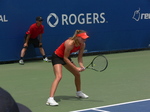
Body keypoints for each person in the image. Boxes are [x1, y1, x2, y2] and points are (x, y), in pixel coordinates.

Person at [46, 30, 89, 106]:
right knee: (59, 76)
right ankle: (50, 99)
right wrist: (76, 68)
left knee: (77, 74)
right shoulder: (69, 43)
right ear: (77, 37)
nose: (84, 40)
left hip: (66, 57)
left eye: (85, 38)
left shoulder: (82, 44)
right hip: (57, 57)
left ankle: (79, 92)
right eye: (83, 38)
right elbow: (65, 58)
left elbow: (80, 58)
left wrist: (81, 66)